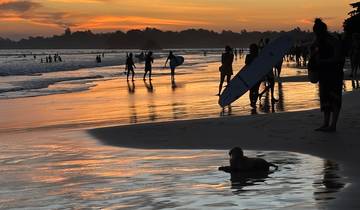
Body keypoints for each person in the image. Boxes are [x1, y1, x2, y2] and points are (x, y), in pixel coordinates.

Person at [312, 18, 344, 132]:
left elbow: (338, 57)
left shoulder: (333, 40)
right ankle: (326, 123)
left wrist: (323, 61)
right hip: (324, 73)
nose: (316, 35)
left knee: (334, 98)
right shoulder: (319, 41)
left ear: (320, 31)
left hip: (334, 73)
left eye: (316, 33)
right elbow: (315, 55)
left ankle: (333, 125)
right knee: (325, 97)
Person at [246, 44, 260, 108]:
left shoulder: (257, 56)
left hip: (255, 75)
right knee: (254, 90)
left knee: (254, 90)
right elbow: (246, 64)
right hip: (254, 75)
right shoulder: (258, 56)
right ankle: (252, 102)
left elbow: (246, 63)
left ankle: (253, 102)